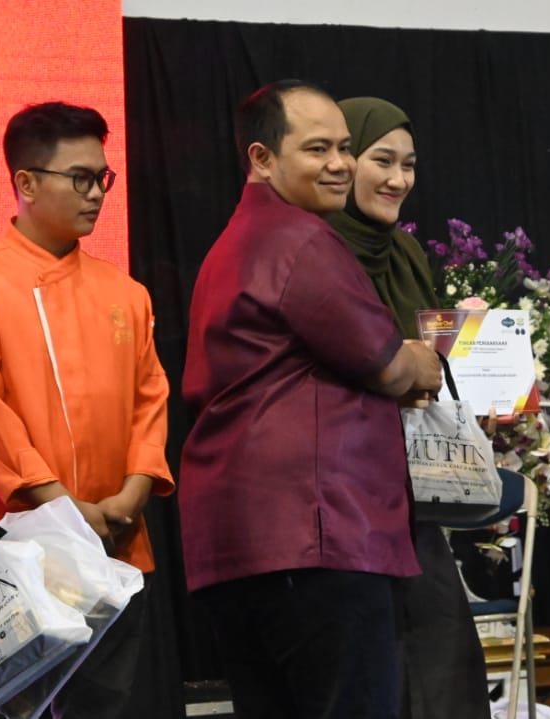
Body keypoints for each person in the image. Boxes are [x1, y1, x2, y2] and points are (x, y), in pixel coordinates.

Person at [180, 80, 442, 719]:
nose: (340, 165)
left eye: (345, 148)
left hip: (240, 544)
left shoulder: (230, 245)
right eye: (317, 149)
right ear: (262, 158)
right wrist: (426, 357)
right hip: (314, 535)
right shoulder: (301, 240)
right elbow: (387, 366)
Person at [0, 102, 173, 718]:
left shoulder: (125, 291)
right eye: (80, 178)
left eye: (102, 177)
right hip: (20, 545)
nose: (96, 192)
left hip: (117, 542)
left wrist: (134, 490)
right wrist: (60, 504)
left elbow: (151, 397)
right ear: (25, 182)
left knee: (108, 706)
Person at [328, 96, 491, 719]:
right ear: (345, 160)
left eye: (409, 164)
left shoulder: (405, 254)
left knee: (443, 669)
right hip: (344, 504)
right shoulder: (316, 251)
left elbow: (429, 362)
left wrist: (475, 370)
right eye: (382, 160)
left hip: (413, 500)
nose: (398, 179)